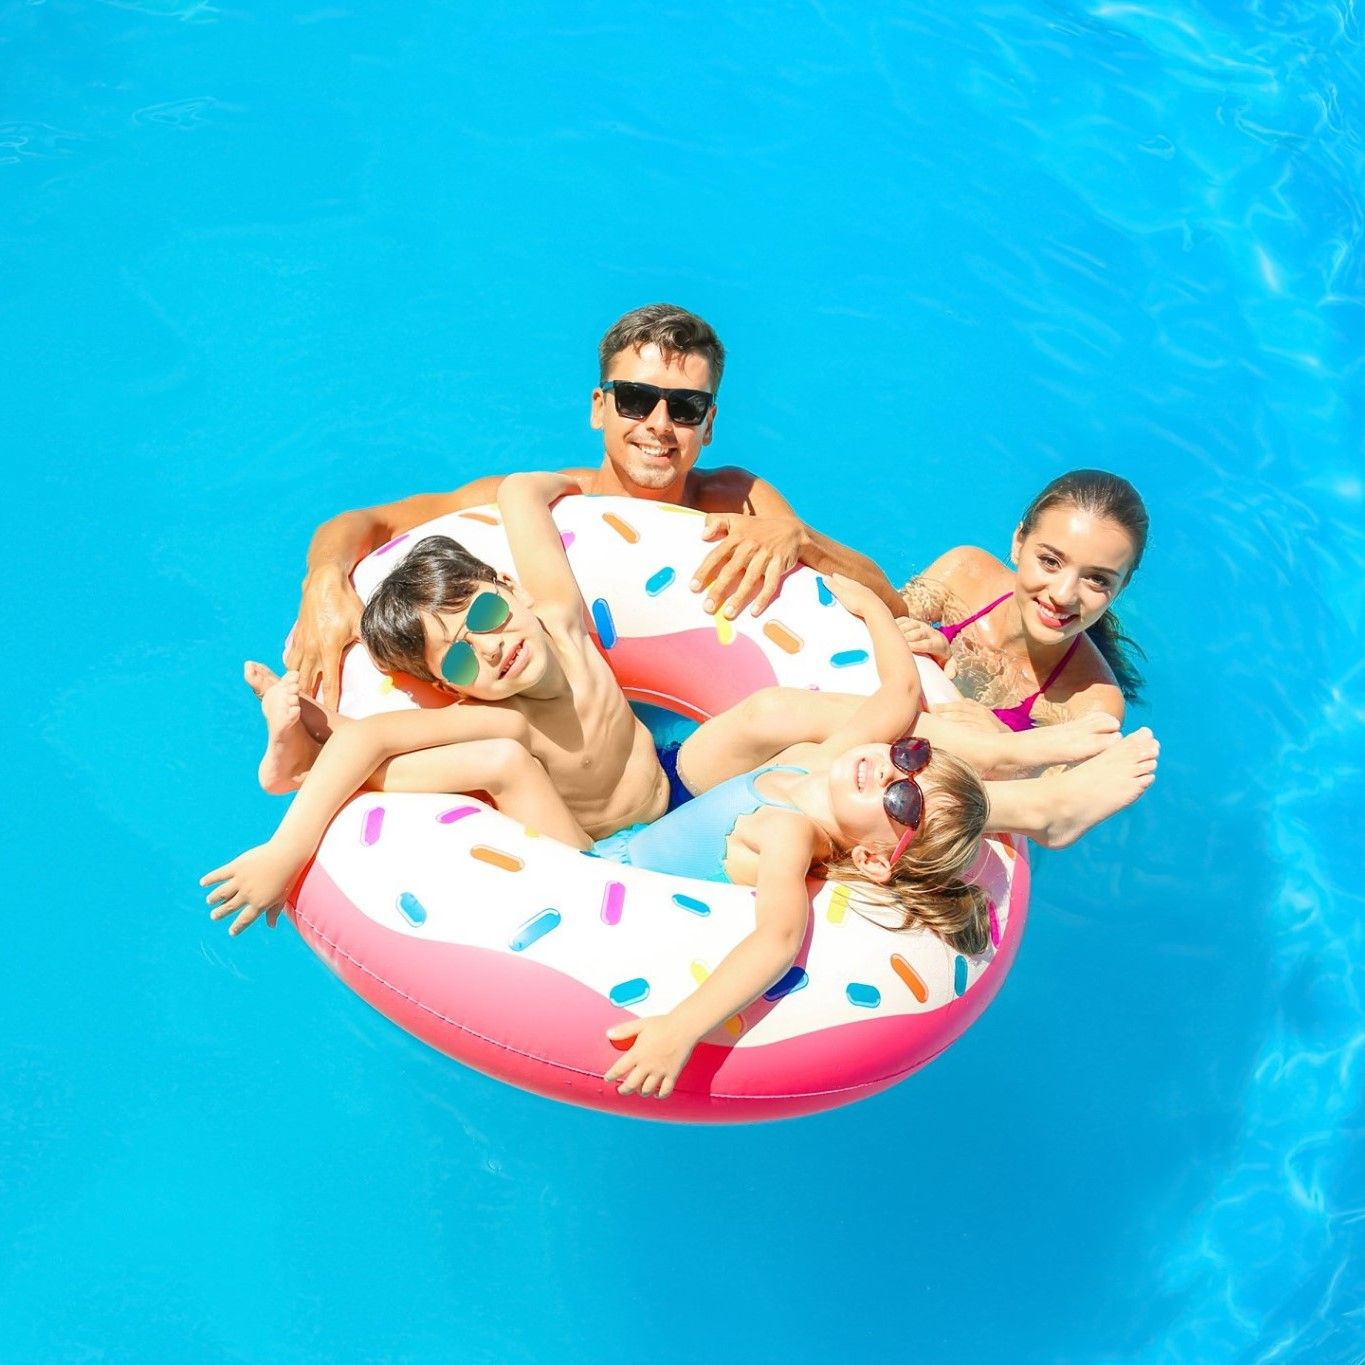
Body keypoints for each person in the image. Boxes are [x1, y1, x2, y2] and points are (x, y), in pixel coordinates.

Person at [289, 303, 895, 710]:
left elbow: (885, 605)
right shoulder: (548, 500)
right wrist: (324, 578)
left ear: (708, 426)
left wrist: (802, 538)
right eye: (636, 399)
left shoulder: (737, 498)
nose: (660, 426)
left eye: (685, 409)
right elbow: (362, 524)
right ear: (599, 407)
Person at [202, 472, 671, 935]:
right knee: (502, 758)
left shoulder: (563, 621)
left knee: (749, 720)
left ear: (510, 586)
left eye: (487, 614)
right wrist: (285, 852)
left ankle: (309, 747)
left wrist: (593, 491)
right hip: (602, 862)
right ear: (450, 688)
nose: (490, 648)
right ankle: (306, 752)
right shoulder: (500, 719)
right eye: (460, 659)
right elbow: (372, 736)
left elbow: (520, 492)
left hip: (669, 782)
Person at [593, 575, 991, 1101]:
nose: (890, 773)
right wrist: (873, 609)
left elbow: (778, 941)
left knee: (508, 756)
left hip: (602, 877)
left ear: (874, 860)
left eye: (904, 803)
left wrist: (680, 1029)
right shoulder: (823, 764)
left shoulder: (791, 832)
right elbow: (901, 693)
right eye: (909, 756)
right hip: (629, 836)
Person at [896, 469, 1148, 730]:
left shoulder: (1091, 707)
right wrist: (918, 645)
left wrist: (1006, 745)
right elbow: (877, 621)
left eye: (1097, 579)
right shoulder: (963, 574)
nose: (1063, 595)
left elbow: (1063, 773)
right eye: (1050, 561)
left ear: (1121, 586)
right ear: (1018, 543)